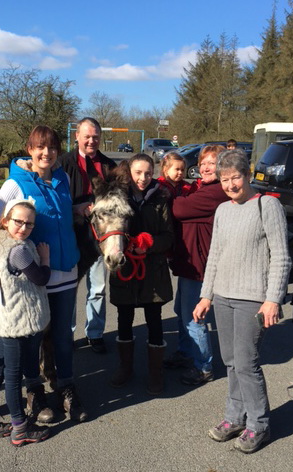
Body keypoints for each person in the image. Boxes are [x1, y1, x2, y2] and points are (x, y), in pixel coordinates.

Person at [0, 125, 87, 423]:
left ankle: (66, 387)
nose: (46, 153)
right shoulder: (16, 184)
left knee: (64, 337)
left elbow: (60, 215)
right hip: (31, 281)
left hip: (66, 273)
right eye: (40, 147)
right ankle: (34, 391)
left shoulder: (63, 178)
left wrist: (80, 209)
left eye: (52, 148)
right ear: (29, 149)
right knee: (33, 339)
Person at [193, 149, 291, 454]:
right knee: (230, 361)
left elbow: (281, 256)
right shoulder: (222, 210)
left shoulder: (267, 205)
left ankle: (258, 424)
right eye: (225, 178)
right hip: (223, 296)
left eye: (236, 177)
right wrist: (206, 295)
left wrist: (272, 299)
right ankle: (234, 417)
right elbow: (215, 257)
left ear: (247, 175)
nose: (231, 184)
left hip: (253, 300)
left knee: (247, 363)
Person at [0, 199, 51, 446]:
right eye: (18, 221)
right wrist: (45, 258)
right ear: (5, 221)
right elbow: (40, 278)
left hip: (5, 317)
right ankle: (19, 427)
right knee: (14, 376)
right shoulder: (19, 250)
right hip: (16, 321)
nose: (24, 227)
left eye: (29, 224)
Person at [109, 153, 174, 395]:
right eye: (138, 173)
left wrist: (148, 243)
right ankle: (125, 368)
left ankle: (155, 373)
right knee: (124, 320)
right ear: (130, 173)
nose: (143, 178)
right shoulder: (118, 199)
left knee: (154, 320)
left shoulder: (161, 199)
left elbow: (168, 236)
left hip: (152, 271)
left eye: (148, 173)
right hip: (125, 267)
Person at [165, 145, 229, 386]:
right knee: (180, 312)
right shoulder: (202, 188)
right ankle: (185, 352)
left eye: (211, 163)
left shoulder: (215, 192)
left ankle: (203, 366)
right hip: (189, 263)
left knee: (194, 317)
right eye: (203, 163)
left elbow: (177, 208)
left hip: (200, 266)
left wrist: (171, 192)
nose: (205, 167)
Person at [60, 117, 117, 354]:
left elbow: (116, 198)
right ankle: (66, 333)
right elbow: (56, 198)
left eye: (95, 137)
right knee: (68, 287)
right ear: (77, 136)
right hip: (70, 233)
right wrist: (77, 208)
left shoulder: (108, 165)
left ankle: (94, 333)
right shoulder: (62, 163)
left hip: (99, 237)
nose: (91, 141)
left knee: (98, 287)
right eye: (87, 136)